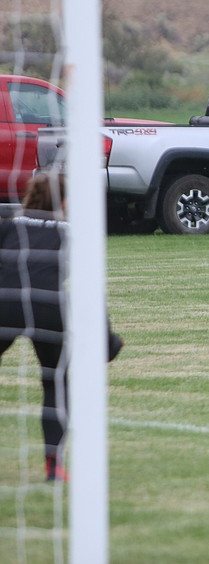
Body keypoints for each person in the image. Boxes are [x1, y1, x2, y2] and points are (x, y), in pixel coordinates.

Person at [0, 172, 123, 481]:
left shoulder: (10, 224)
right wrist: (106, 340)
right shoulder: (74, 231)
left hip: (6, 302)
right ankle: (54, 464)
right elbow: (89, 289)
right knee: (57, 383)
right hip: (49, 306)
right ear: (66, 200)